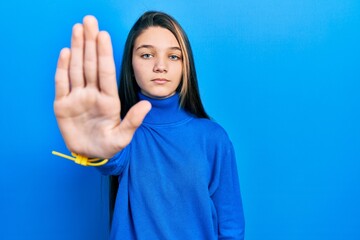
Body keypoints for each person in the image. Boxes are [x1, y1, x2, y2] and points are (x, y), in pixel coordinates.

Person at [54, 11, 245, 239]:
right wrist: (98, 150)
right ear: (131, 66)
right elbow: (110, 158)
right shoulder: (123, 134)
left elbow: (231, 226)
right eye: (147, 55)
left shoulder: (213, 138)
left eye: (173, 56)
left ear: (186, 66)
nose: (160, 66)